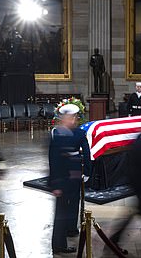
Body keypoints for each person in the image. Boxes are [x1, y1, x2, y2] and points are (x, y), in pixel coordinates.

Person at [48, 104, 92, 254]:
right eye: (71, 117)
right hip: (67, 177)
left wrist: (86, 171)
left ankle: (70, 229)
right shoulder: (78, 134)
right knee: (61, 212)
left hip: (70, 177)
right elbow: (54, 160)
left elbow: (86, 153)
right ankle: (59, 244)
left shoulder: (57, 134)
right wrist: (86, 172)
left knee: (72, 204)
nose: (72, 120)